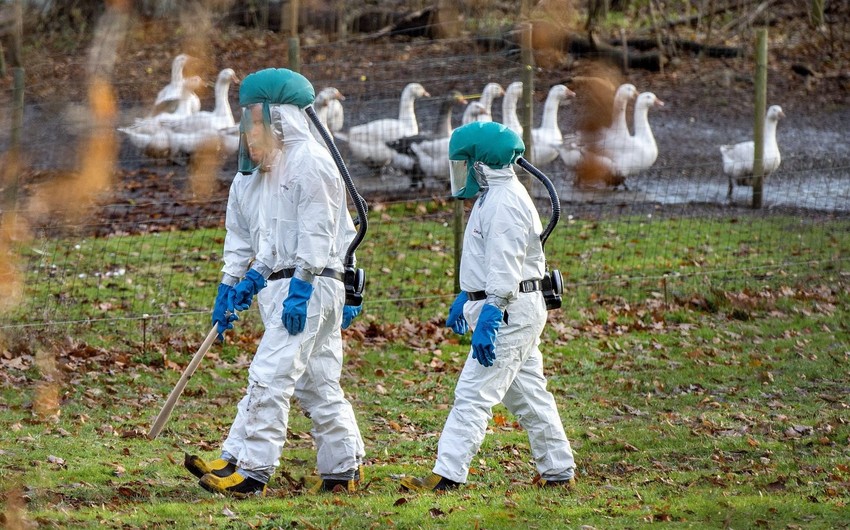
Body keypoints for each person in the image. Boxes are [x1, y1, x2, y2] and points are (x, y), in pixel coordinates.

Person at [184, 68, 365, 498]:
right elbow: (270, 244)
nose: (249, 136)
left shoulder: (310, 163)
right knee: (317, 383)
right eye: (246, 126)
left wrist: (301, 286)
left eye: (256, 125)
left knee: (269, 375)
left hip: (310, 288)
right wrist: (240, 284)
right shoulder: (268, 172)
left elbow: (317, 236)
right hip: (286, 287)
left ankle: (252, 471)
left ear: (280, 119)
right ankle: (343, 468)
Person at [400, 121, 576, 491]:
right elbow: (489, 260)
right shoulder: (493, 197)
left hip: (510, 310)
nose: (460, 173)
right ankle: (558, 471)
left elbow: (505, 265)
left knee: (472, 395)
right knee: (530, 397)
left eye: (464, 163)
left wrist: (492, 310)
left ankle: (447, 475)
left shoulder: (504, 202)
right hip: (515, 307)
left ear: (479, 163)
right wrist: (467, 296)